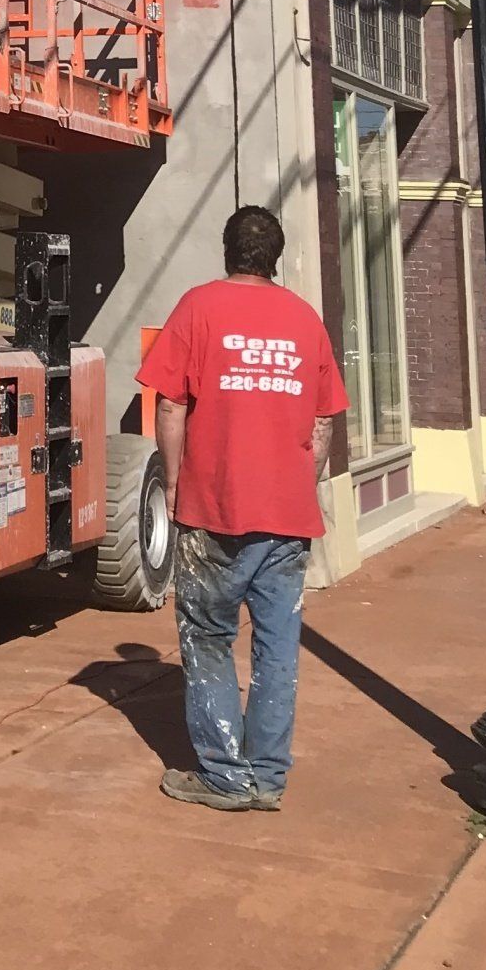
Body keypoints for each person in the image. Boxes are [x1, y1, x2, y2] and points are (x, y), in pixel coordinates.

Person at [137, 204, 347, 812]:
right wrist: (302, 484)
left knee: (207, 639)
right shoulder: (304, 319)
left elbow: (171, 407)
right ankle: (268, 775)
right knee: (279, 646)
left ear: (227, 252)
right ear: (275, 258)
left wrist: (174, 485)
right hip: (287, 515)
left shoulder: (200, 307)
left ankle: (225, 776)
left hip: (215, 508)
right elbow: (324, 418)